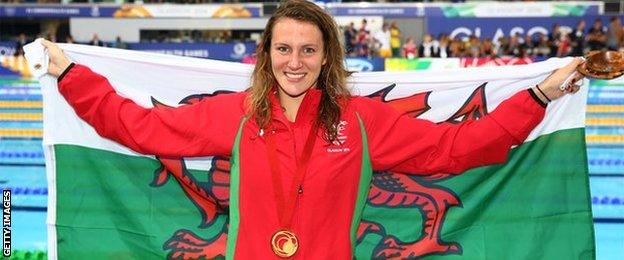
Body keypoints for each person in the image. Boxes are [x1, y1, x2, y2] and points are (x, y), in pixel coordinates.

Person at [41, 0, 583, 258]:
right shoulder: (236, 115)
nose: (294, 62)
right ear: (266, 55)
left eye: (308, 50)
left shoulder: (361, 120)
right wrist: (70, 74)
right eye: (283, 49)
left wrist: (539, 95)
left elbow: (457, 149)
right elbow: (139, 129)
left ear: (326, 58)